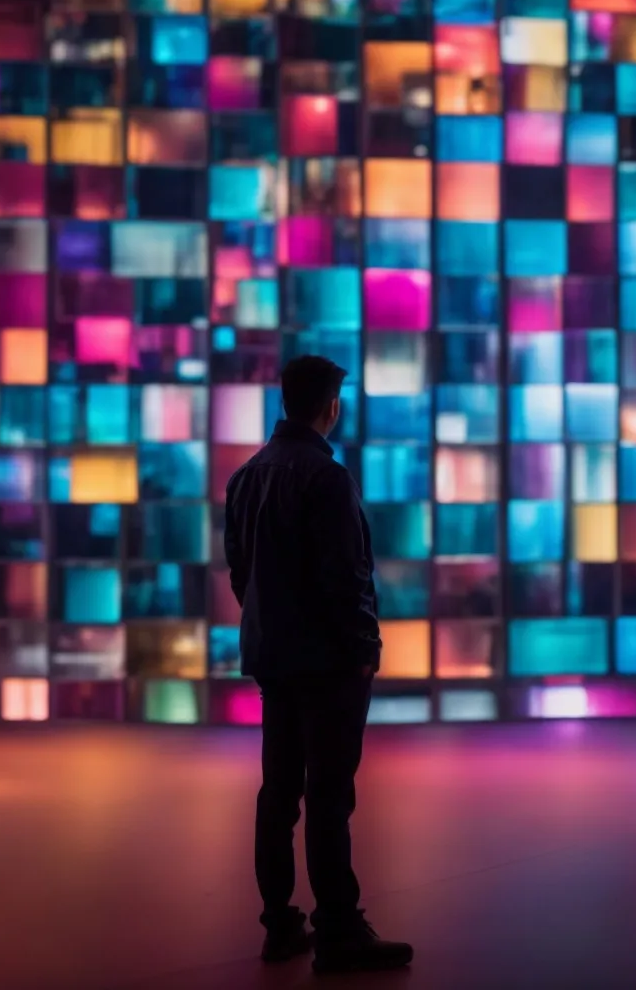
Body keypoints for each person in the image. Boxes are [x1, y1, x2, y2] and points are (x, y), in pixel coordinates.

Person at [222, 355, 414, 975]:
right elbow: (347, 578)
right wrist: (363, 651)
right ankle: (338, 929)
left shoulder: (247, 477)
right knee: (330, 795)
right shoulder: (326, 479)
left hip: (273, 657)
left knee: (278, 792)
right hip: (327, 662)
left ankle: (281, 924)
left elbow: (240, 574)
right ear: (331, 406)